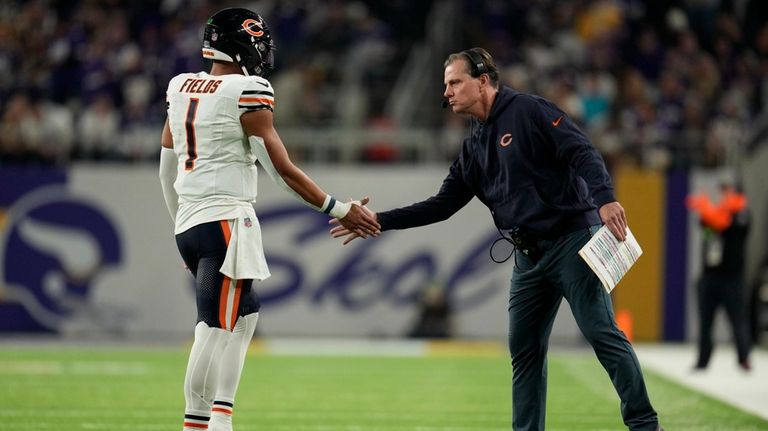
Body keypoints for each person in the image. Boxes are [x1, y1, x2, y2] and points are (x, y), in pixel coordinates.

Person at [331, 48, 663, 431]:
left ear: (483, 80)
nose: (447, 93)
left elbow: (581, 150)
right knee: (524, 351)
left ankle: (645, 425)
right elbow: (441, 206)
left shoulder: (529, 111)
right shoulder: (473, 146)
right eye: (446, 85)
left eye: (455, 82)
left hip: (572, 241)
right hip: (528, 257)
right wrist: (378, 221)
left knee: (600, 333)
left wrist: (605, 198)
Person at [158, 8, 380, 431]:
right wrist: (340, 208)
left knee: (245, 316)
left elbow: (167, 170)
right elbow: (281, 171)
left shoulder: (180, 86)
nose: (262, 46)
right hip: (226, 220)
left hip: (190, 219)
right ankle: (195, 425)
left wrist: (178, 228)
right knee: (214, 328)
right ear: (236, 41)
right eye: (255, 36)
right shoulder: (248, 89)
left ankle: (221, 419)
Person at [686, 177, 751, 371]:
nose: (723, 194)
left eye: (727, 190)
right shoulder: (711, 212)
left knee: (738, 320)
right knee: (705, 322)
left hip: (732, 278)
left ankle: (743, 358)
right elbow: (705, 227)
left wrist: (715, 213)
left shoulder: (742, 213)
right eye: (721, 190)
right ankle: (702, 360)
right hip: (710, 277)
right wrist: (711, 212)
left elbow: (730, 227)